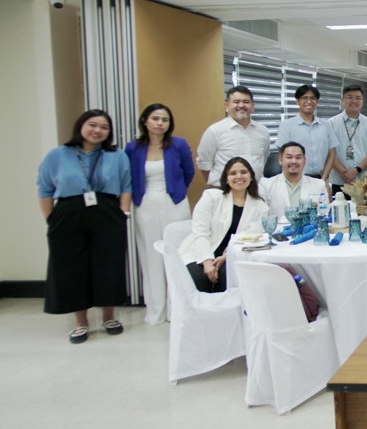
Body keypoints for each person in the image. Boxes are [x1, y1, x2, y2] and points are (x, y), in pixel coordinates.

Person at [37, 110, 133, 343]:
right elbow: (45, 190)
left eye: (104, 127)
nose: (98, 130)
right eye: (93, 125)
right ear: (80, 125)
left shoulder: (116, 155)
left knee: (109, 264)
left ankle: (109, 317)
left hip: (107, 213)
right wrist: (52, 221)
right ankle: (80, 323)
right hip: (68, 214)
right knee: (71, 269)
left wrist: (123, 214)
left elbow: (126, 186)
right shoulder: (57, 155)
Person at [124, 104, 194, 326]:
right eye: (155, 118)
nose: (160, 123)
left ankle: (177, 309)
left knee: (176, 256)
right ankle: (156, 310)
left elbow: (189, 172)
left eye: (164, 119)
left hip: (174, 203)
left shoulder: (178, 144)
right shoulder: (132, 148)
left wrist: (179, 191)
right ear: (145, 121)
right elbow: (128, 176)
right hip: (144, 205)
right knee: (151, 257)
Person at [178, 157, 269, 293]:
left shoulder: (261, 207)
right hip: (200, 252)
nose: (239, 176)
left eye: (244, 172)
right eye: (233, 173)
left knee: (227, 276)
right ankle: (202, 314)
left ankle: (226, 313)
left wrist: (226, 256)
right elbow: (200, 232)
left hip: (232, 255)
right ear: (226, 178)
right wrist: (207, 261)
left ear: (251, 177)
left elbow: (252, 238)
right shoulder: (211, 197)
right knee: (198, 277)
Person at [196, 85, 271, 183]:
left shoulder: (263, 131)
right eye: (236, 102)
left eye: (246, 102)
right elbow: (204, 163)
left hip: (256, 190)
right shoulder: (214, 131)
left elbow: (263, 158)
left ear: (252, 106)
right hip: (225, 191)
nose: (241, 105)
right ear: (227, 106)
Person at [275, 85, 339, 180]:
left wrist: (324, 179)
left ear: (317, 101)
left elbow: (331, 155)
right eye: (304, 98)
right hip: (295, 179)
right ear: (297, 101)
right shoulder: (287, 125)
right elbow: (283, 154)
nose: (309, 102)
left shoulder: (326, 125)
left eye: (313, 98)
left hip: (320, 178)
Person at [328, 85, 367, 196]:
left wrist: (355, 171)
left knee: (364, 212)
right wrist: (345, 174)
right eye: (350, 97)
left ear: (362, 101)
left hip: (364, 180)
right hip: (339, 181)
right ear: (342, 100)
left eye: (358, 98)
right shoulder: (330, 124)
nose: (354, 101)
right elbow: (329, 153)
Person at [258, 142, 328, 217]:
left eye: (298, 157)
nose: (294, 161)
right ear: (280, 160)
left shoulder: (319, 185)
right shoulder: (266, 185)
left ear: (304, 161)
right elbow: (261, 216)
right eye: (289, 157)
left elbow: (325, 215)